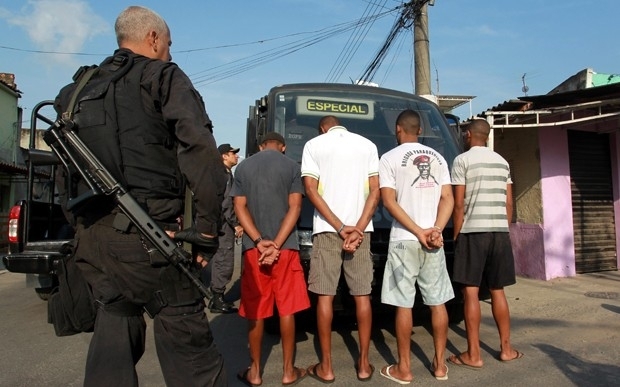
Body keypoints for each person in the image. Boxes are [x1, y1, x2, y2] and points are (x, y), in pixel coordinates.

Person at [53, 6, 228, 386]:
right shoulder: (162, 76)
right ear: (152, 38)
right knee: (191, 356)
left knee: (113, 335)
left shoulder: (76, 89)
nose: (170, 51)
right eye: (168, 43)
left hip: (95, 240)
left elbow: (65, 170)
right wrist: (208, 230)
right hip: (155, 239)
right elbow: (200, 153)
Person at [378, 110, 454, 384]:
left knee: (404, 305)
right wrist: (435, 229)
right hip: (433, 240)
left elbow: (389, 202)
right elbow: (448, 198)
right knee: (438, 302)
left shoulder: (389, 158)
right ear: (419, 130)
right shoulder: (438, 158)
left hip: (404, 240)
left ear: (399, 129)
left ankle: (404, 369)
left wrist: (418, 231)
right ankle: (440, 366)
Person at [301, 115, 380, 383]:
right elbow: (375, 193)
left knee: (325, 296)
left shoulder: (314, 145)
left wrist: (339, 226)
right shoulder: (368, 145)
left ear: (323, 127)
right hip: (361, 232)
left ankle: (327, 367)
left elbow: (311, 191)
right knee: (362, 296)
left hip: (326, 230)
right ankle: (364, 365)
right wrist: (357, 228)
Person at [231, 132, 310, 386]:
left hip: (254, 250)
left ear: (260, 146)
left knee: (256, 310)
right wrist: (276, 244)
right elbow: (295, 208)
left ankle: (255, 372)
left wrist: (258, 240)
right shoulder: (291, 167)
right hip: (285, 248)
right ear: (283, 147)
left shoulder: (243, 167)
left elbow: (239, 207)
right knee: (286, 309)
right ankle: (288, 372)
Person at [448, 118, 523, 370]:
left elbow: (458, 204)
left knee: (470, 291)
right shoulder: (502, 162)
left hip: (473, 232)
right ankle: (506, 349)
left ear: (469, 135)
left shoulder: (462, 161)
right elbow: (509, 203)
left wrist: (458, 235)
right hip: (500, 232)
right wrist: (505, 228)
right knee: (497, 290)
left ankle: (473, 355)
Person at [202, 143, 243, 314]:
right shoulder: (224, 176)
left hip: (218, 223)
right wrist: (236, 224)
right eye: (233, 153)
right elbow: (227, 204)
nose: (237, 156)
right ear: (224, 156)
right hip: (224, 224)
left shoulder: (222, 174)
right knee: (224, 260)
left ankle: (217, 297)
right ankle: (217, 299)